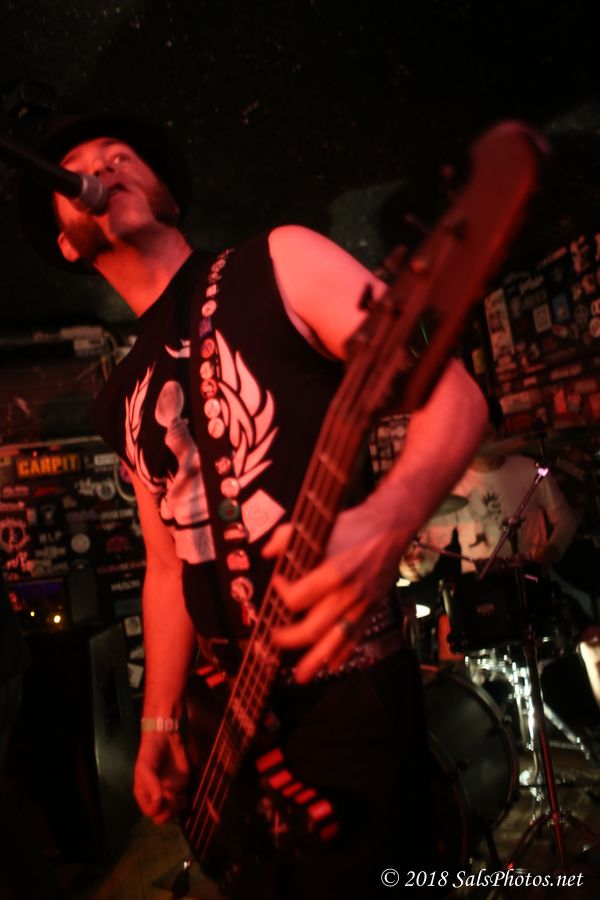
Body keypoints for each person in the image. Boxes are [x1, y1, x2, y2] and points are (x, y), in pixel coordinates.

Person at [18, 113, 487, 897]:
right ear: (68, 241)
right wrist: (159, 721)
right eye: (81, 165)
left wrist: (386, 518)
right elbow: (166, 567)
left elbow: (455, 395)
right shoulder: (116, 399)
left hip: (347, 694)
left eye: (122, 155)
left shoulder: (280, 262)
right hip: (225, 717)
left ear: (168, 197)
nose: (104, 165)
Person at [401, 398, 600, 711]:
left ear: (502, 430)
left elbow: (565, 518)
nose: (479, 442)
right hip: (482, 599)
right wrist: (414, 565)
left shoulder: (529, 470)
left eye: (487, 433)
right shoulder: (456, 485)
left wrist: (550, 551)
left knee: (593, 642)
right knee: (450, 642)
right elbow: (430, 549)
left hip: (532, 585)